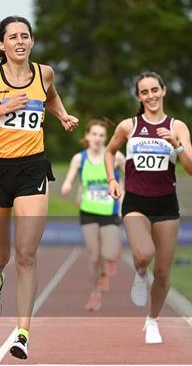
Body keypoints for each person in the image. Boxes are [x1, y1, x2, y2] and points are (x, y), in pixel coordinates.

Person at [0, 16, 79, 359]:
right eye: (13, 37)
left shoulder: (45, 74)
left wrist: (62, 115)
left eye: (25, 36)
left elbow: (50, 96)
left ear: (32, 41)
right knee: (0, 257)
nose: (20, 41)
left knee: (26, 255)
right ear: (2, 44)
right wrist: (2, 110)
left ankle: (22, 333)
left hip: (32, 168)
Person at [104, 72, 192, 344]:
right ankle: (139, 272)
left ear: (164, 91)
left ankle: (152, 321)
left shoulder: (177, 127)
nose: (151, 96)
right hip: (135, 201)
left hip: (167, 203)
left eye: (154, 90)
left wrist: (176, 145)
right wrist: (112, 179)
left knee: (164, 271)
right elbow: (110, 152)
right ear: (138, 97)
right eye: (144, 92)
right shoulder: (128, 126)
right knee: (144, 255)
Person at [61, 119, 125, 312]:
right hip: (88, 211)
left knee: (109, 253)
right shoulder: (79, 159)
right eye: (94, 134)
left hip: (110, 210)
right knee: (95, 256)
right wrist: (67, 186)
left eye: (101, 135)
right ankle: (96, 293)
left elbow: (129, 177)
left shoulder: (116, 156)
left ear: (107, 138)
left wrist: (123, 198)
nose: (97, 138)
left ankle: (114, 252)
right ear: (87, 136)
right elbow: (70, 179)